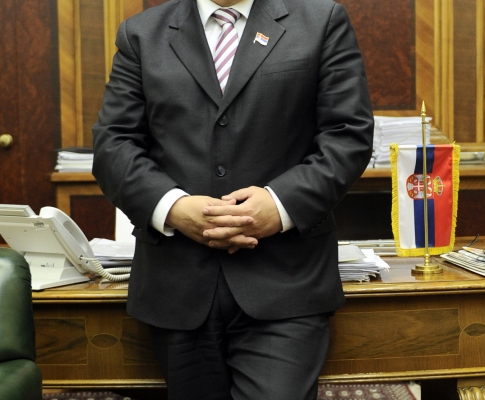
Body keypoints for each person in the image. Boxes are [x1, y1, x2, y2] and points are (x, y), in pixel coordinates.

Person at [92, 0, 374, 398]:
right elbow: (113, 146)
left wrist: (279, 205)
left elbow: (348, 136)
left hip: (285, 282)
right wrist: (174, 208)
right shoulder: (141, 34)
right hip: (178, 284)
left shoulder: (321, 21)